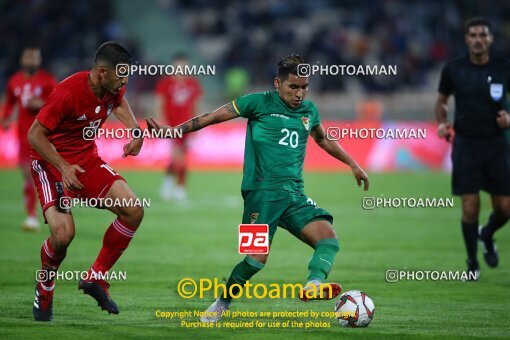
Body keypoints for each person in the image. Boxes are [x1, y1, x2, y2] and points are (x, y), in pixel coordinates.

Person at [147, 54, 369, 322]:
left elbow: (322, 139)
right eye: (293, 87)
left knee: (329, 239)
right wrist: (173, 131)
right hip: (261, 195)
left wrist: (352, 163)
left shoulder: (309, 111)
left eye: (304, 87)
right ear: (278, 83)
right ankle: (222, 303)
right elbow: (212, 117)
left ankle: (312, 284)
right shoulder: (257, 102)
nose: (300, 93)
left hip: (294, 194)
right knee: (255, 261)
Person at [28, 42, 144, 321]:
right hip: (50, 163)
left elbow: (119, 102)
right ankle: (45, 284)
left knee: (133, 210)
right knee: (63, 235)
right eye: (121, 77)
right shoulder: (67, 93)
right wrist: (63, 166)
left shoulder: (112, 87)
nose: (125, 82)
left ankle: (95, 277)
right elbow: (35, 135)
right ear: (102, 72)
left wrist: (135, 130)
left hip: (86, 161)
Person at [435, 17, 510, 281]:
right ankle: (472, 263)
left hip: (497, 144)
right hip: (466, 144)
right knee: (470, 206)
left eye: (483, 35)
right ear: (467, 39)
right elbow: (441, 102)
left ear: (490, 38)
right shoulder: (454, 69)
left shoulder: (503, 67)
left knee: (505, 208)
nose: (478, 39)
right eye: (473, 35)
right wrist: (443, 122)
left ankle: (486, 234)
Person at [1, 47, 56, 232]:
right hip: (23, 136)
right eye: (28, 57)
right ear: (22, 59)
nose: (31, 60)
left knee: (47, 175)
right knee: (28, 175)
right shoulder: (14, 81)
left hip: (45, 135)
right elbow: (9, 103)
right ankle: (32, 215)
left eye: (35, 58)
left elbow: (58, 103)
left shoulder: (47, 80)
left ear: (39, 61)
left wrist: (41, 104)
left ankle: (51, 213)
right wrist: (7, 118)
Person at [155, 52, 202, 201]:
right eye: (179, 67)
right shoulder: (165, 83)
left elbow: (196, 105)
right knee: (179, 157)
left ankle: (168, 183)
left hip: (188, 127)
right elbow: (159, 104)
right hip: (171, 127)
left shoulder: (193, 83)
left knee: (179, 158)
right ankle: (180, 187)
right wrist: (161, 124)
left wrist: (198, 125)